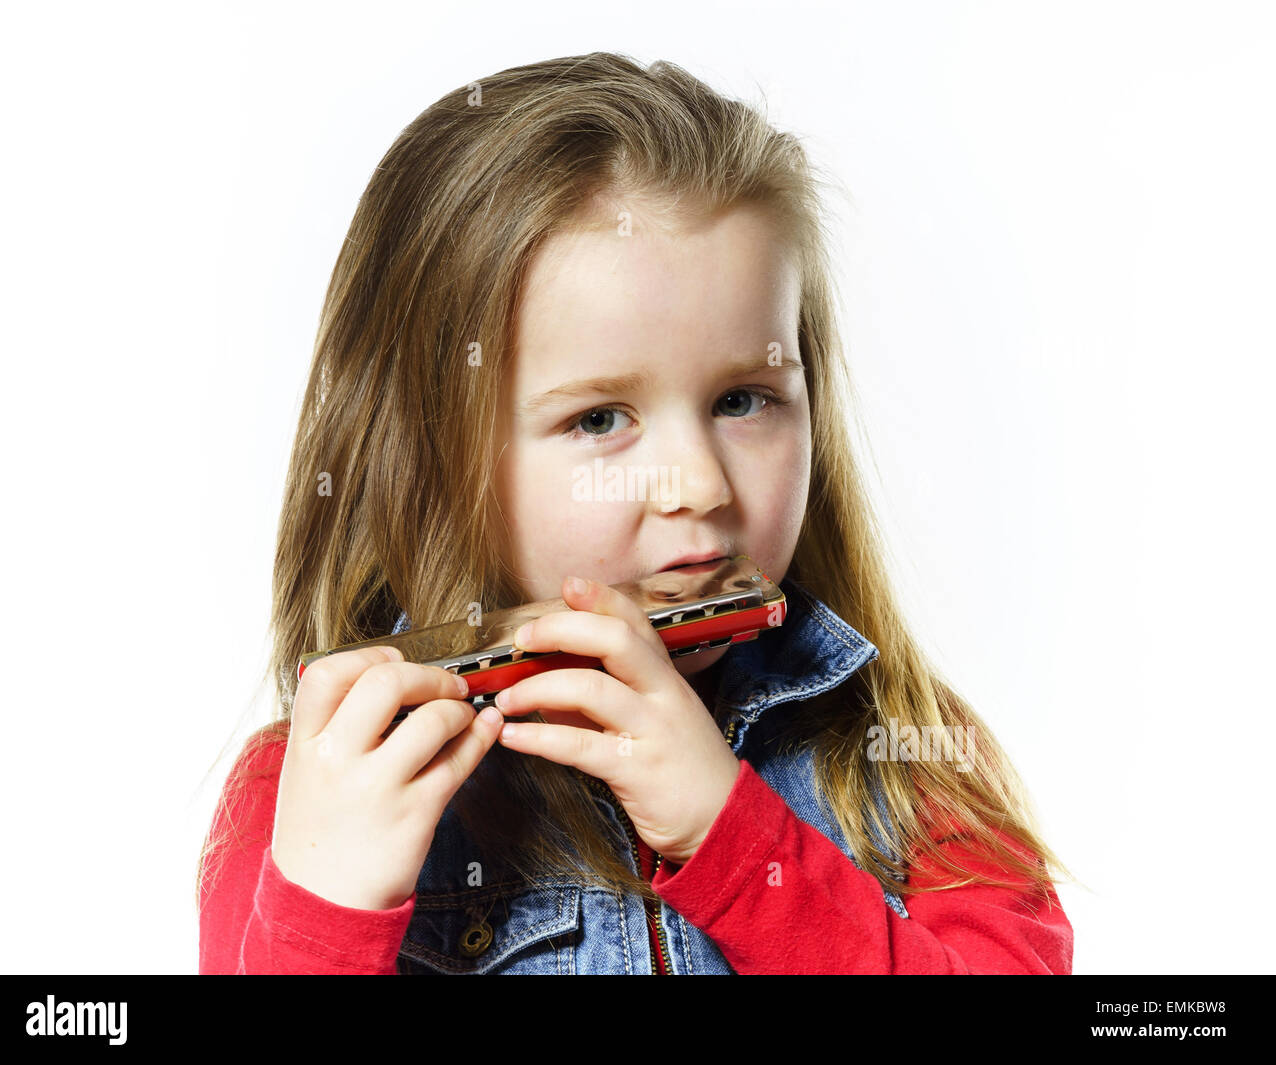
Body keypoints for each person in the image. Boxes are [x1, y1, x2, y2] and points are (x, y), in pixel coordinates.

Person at [197, 52, 1074, 975]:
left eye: (743, 399)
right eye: (599, 418)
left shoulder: (903, 759)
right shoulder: (310, 790)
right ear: (426, 463)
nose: (696, 482)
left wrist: (734, 841)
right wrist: (324, 919)